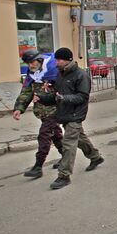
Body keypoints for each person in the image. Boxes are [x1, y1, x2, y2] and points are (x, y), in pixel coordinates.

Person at [38, 47, 104, 190]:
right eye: (56, 59)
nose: (56, 62)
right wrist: (42, 99)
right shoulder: (61, 75)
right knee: (80, 139)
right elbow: (56, 96)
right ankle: (95, 157)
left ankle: (64, 176)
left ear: (67, 60)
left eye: (59, 59)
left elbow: (82, 97)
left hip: (76, 114)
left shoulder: (81, 76)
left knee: (68, 144)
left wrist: (64, 98)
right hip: (65, 114)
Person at [13, 50, 63, 179]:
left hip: (54, 110)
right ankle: (90, 156)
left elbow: (62, 92)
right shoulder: (32, 74)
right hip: (42, 111)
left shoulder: (53, 71)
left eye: (32, 62)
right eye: (28, 63)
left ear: (39, 60)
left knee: (44, 136)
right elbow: (27, 91)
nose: (30, 66)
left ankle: (38, 166)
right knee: (56, 136)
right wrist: (19, 108)